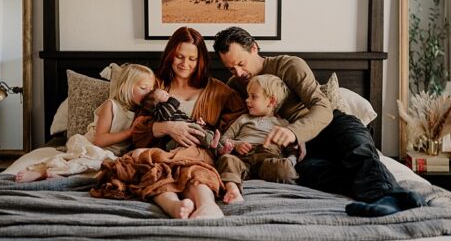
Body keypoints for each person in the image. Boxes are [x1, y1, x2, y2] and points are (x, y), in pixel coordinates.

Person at [214, 26, 425, 217]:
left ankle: (387, 198)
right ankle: (398, 196)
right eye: (231, 68)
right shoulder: (237, 85)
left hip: (332, 124)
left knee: (357, 152)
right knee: (313, 175)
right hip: (302, 149)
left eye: (241, 64)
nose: (239, 73)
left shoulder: (289, 65)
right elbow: (232, 123)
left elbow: (322, 107)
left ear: (254, 48)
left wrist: (294, 131)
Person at [92, 27, 246, 219]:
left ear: (201, 61)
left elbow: (241, 118)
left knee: (192, 167)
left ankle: (207, 205)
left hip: (196, 154)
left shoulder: (217, 90)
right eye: (179, 56)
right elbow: (137, 131)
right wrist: (164, 127)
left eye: (192, 59)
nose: (185, 64)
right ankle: (174, 206)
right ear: (170, 55)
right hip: (161, 152)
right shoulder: (153, 85)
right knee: (151, 167)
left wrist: (216, 135)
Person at [16, 63, 154, 182]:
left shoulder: (141, 112)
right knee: (85, 160)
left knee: (105, 169)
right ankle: (41, 171)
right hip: (90, 145)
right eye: (143, 88)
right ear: (126, 87)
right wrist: (130, 132)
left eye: (151, 89)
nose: (149, 93)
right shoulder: (111, 106)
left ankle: (63, 176)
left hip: (111, 154)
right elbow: (100, 140)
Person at [217, 74, 303, 204]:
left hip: (269, 158)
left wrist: (290, 162)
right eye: (248, 96)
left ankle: (286, 186)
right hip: (243, 159)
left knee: (283, 168)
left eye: (253, 97)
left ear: (271, 102)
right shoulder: (243, 119)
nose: (247, 100)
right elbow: (224, 139)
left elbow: (293, 150)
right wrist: (236, 145)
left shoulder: (284, 124)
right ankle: (233, 189)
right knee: (226, 160)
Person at [139, 87, 220, 151]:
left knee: (205, 132)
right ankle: (211, 142)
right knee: (200, 133)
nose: (167, 94)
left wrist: (197, 122)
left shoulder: (173, 110)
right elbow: (166, 115)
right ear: (156, 103)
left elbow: (186, 120)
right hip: (173, 141)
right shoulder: (160, 110)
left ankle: (219, 149)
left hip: (187, 131)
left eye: (166, 92)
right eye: (163, 94)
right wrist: (173, 100)